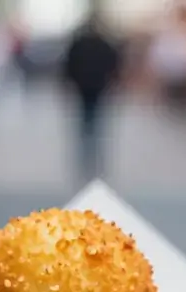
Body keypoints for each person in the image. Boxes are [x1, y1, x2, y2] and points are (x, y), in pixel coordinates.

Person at [63, 15, 121, 182]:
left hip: (85, 85)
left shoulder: (79, 44)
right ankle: (93, 146)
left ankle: (87, 145)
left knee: (86, 117)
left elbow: (69, 65)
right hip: (98, 85)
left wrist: (70, 81)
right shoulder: (104, 44)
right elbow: (114, 64)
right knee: (95, 116)